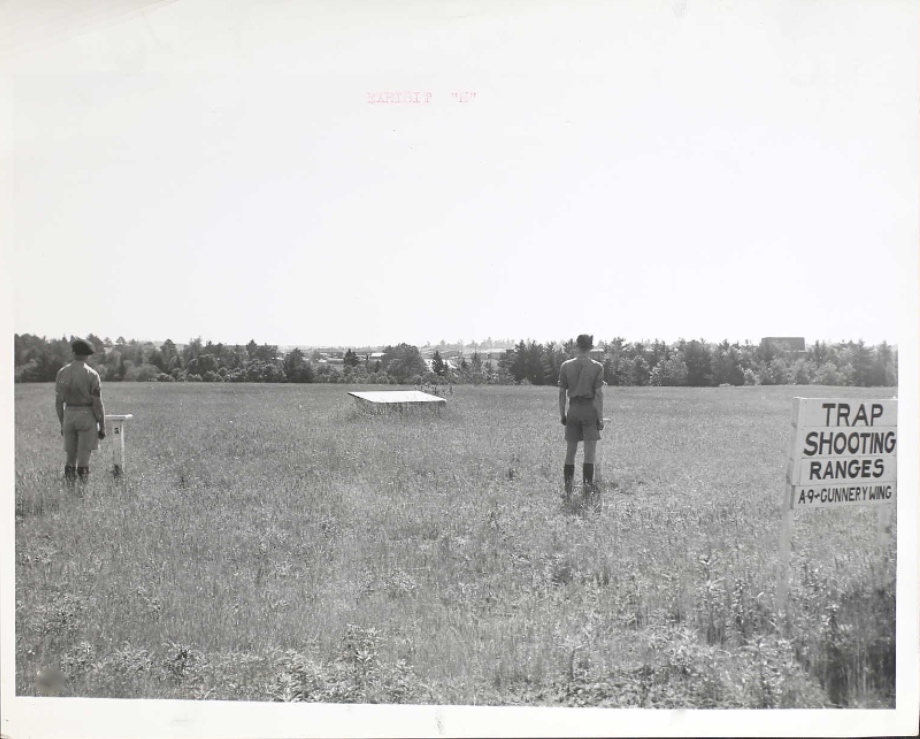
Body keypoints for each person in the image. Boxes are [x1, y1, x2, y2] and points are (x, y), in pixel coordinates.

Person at [558, 334, 605, 498]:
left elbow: (561, 393)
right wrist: (600, 418)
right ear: (591, 347)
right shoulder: (597, 367)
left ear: (576, 346)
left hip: (573, 409)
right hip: (589, 410)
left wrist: (562, 414)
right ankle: (587, 487)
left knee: (570, 451)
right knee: (589, 453)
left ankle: (568, 488)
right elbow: (599, 394)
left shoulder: (565, 366)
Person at [56, 338, 106, 485]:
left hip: (69, 414)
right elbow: (97, 403)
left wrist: (62, 423)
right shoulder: (92, 374)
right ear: (88, 355)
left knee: (70, 458)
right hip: (86, 415)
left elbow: (58, 402)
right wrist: (102, 425)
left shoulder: (62, 372)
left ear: (73, 352)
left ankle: (69, 487)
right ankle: (82, 490)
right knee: (84, 457)